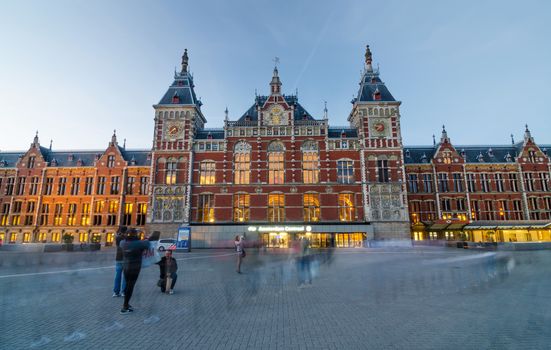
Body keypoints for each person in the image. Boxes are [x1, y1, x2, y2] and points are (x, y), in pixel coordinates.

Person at [120, 228, 149, 314]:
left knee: (127, 284)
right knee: (130, 286)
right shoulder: (138, 243)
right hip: (135, 267)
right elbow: (147, 244)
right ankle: (125, 307)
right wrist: (141, 237)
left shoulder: (123, 243)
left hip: (125, 266)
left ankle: (126, 304)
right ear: (135, 235)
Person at [112, 226, 127, 297]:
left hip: (118, 258)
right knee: (125, 276)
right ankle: (123, 291)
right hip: (125, 259)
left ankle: (116, 292)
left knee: (117, 276)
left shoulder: (117, 237)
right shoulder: (125, 238)